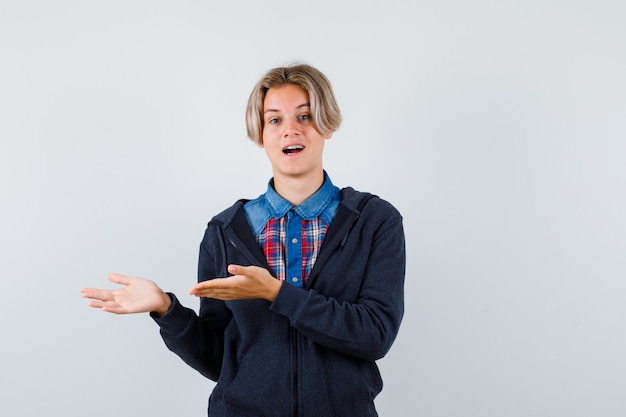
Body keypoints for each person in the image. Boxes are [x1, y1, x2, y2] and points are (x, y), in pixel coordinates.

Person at [81, 63, 406, 417]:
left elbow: (375, 334)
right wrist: (166, 309)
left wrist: (277, 293)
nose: (290, 130)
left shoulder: (374, 220)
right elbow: (221, 359)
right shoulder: (224, 231)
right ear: (260, 133)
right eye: (275, 120)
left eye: (305, 116)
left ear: (326, 125)